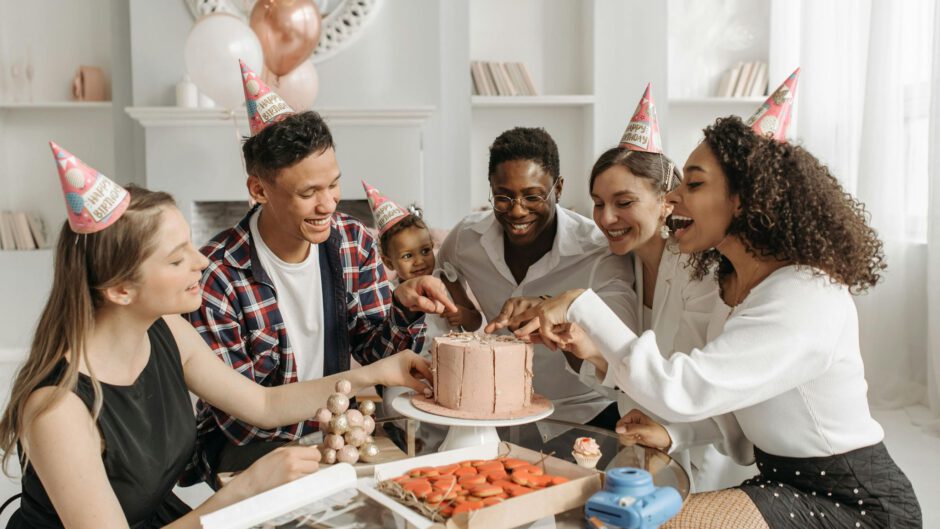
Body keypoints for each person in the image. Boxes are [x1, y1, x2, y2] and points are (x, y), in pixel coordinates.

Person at [509, 115, 922, 528]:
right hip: (781, 482)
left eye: (694, 183)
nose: (673, 196)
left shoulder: (803, 297)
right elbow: (732, 398)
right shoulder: (736, 288)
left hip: (858, 504)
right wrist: (676, 434)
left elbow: (681, 388)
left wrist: (582, 305)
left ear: (742, 198)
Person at [0, 145, 434, 528]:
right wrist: (243, 492)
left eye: (190, 246)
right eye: (176, 260)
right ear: (120, 290)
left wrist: (380, 371)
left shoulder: (165, 331)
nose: (202, 264)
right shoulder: (57, 409)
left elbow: (264, 405)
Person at [182, 63, 454, 485]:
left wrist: (402, 305)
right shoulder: (217, 277)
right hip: (249, 452)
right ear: (259, 190)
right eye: (308, 193)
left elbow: (377, 356)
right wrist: (334, 422)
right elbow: (243, 417)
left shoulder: (353, 243)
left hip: (335, 434)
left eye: (333, 185)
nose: (328, 204)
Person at [490, 84, 750, 492]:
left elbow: (712, 388)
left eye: (624, 202)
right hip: (640, 446)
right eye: (597, 202)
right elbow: (622, 373)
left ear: (668, 201)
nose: (606, 218)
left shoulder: (700, 272)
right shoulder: (617, 262)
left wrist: (674, 434)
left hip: (703, 458)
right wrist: (584, 349)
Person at [438, 126, 636, 441]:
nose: (517, 210)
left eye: (533, 196)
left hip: (585, 417)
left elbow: (619, 347)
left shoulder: (599, 250)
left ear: (558, 187)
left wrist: (552, 312)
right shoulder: (466, 239)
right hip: (498, 415)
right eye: (503, 197)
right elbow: (442, 278)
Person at [363, 180, 481, 339]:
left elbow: (476, 321)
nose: (419, 261)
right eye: (407, 256)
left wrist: (462, 315)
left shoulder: (445, 280)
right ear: (389, 262)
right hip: (411, 360)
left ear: (433, 246)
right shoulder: (392, 294)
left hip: (449, 358)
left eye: (425, 251)